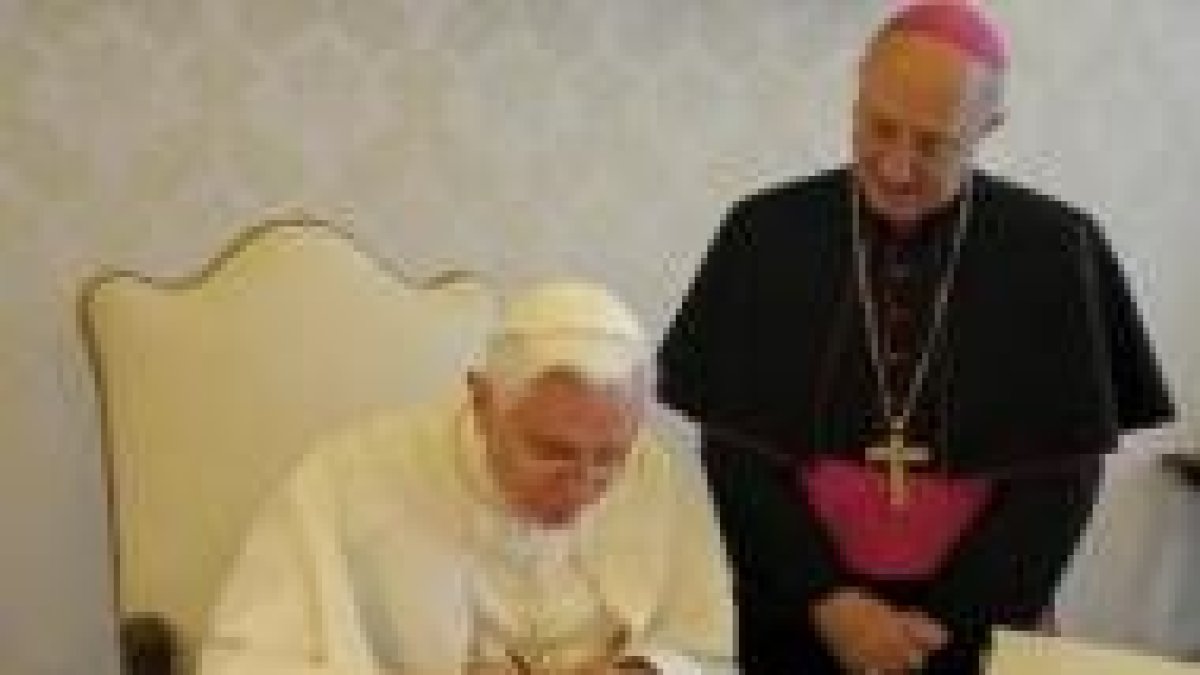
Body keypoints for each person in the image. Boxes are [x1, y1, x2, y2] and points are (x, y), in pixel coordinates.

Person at [658, 2, 1174, 674]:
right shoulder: (766, 234)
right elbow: (737, 447)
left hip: (974, 622)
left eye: (933, 143)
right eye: (879, 127)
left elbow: (1062, 474)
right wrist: (829, 600)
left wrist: (951, 623)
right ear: (857, 95)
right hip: (798, 610)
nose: (897, 166)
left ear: (988, 128)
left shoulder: (1054, 250)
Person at [200, 280, 736, 675]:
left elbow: (706, 652)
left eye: (610, 457)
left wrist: (639, 671)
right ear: (482, 402)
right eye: (552, 452)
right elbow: (248, 661)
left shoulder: (654, 474)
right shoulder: (349, 475)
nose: (582, 484)